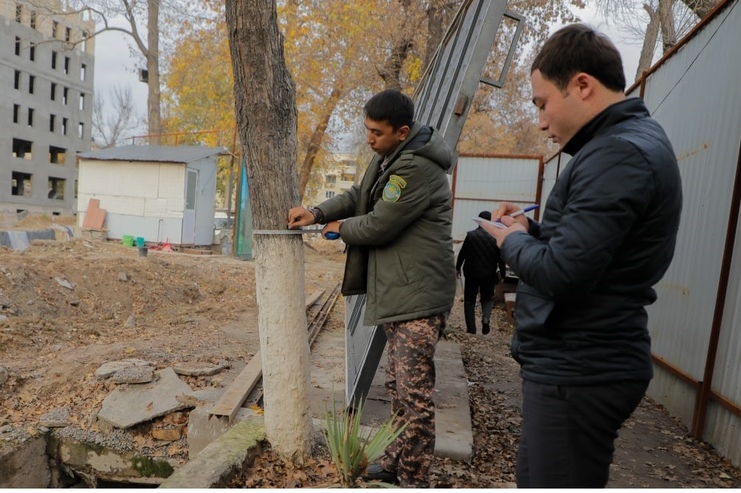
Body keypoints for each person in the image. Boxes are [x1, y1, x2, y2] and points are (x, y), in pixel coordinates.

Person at [479, 24, 682, 487]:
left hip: (581, 367)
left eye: (542, 103)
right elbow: (591, 248)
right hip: (576, 362)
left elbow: (564, 271)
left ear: (582, 85)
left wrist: (509, 242)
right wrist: (530, 228)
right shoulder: (622, 144)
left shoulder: (618, 154)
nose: (541, 122)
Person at [288, 89, 455, 488]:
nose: (369, 139)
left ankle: (414, 478)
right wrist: (318, 211)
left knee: (414, 396)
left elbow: (380, 223)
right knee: (398, 387)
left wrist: (339, 228)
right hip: (402, 291)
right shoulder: (389, 158)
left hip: (418, 296)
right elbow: (358, 196)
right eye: (367, 130)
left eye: (376, 133)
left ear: (401, 132)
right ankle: (397, 463)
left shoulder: (415, 169)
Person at [456, 210, 505, 335]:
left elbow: (462, 254)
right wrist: (503, 274)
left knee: (469, 301)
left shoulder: (471, 235)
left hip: (471, 274)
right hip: (488, 275)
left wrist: (457, 268)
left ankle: (471, 329)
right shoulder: (495, 238)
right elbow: (501, 258)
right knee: (487, 298)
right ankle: (486, 319)